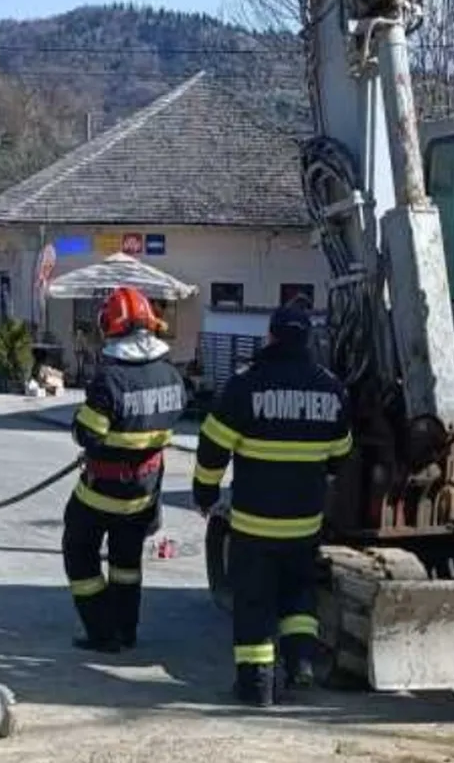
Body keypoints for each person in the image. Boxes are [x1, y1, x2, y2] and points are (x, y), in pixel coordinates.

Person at [192, 297, 352, 707]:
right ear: (308, 340)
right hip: (304, 524)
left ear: (271, 337)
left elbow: (212, 449)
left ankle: (257, 687)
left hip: (254, 525)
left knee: (255, 602)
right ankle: (301, 666)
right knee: (299, 595)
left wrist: (205, 494)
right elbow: (340, 455)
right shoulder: (331, 388)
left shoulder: (246, 385)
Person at [63, 285, 186, 653]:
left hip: (101, 494)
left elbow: (87, 434)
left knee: (79, 552)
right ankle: (125, 631)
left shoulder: (110, 380)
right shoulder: (171, 375)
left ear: (110, 327)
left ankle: (102, 632)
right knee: (126, 565)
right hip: (145, 494)